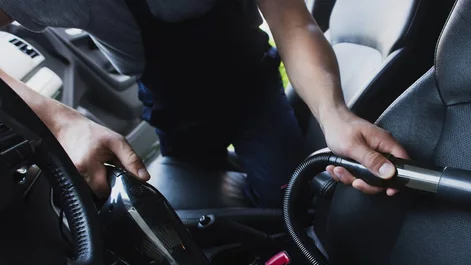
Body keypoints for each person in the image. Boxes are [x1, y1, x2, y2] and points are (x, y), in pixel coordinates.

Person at [0, 0, 408, 206]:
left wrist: (333, 114)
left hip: (250, 82)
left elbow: (293, 19)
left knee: (286, 197)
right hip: (169, 100)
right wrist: (58, 121)